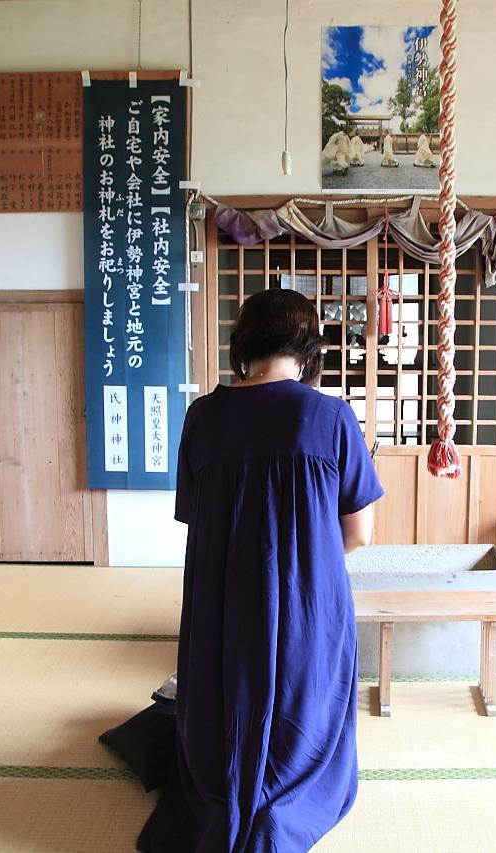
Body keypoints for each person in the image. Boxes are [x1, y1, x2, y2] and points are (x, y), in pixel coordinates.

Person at [139, 288, 384, 852]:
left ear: (243, 342)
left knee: (222, 687)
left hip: (220, 595)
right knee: (307, 687)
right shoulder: (330, 416)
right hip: (305, 596)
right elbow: (358, 534)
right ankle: (287, 805)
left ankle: (224, 789)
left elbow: (194, 515)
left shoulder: (202, 417)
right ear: (309, 347)